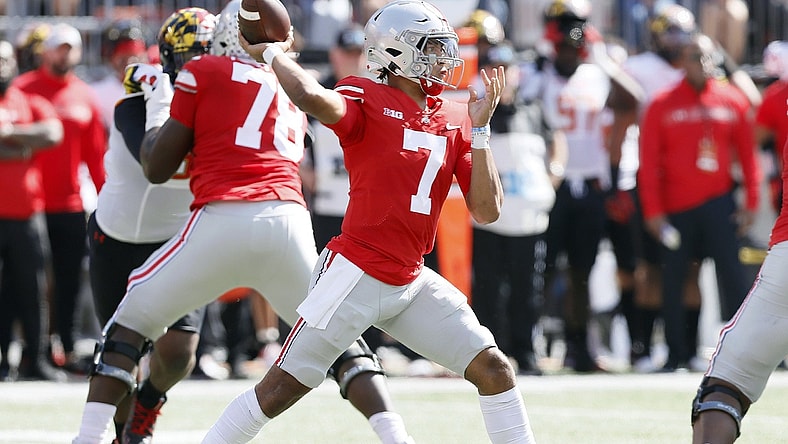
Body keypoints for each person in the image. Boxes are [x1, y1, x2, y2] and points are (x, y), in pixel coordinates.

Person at [72, 3, 412, 444]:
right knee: (338, 337)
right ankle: (395, 434)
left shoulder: (203, 76)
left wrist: (160, 99)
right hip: (284, 221)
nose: (198, 57)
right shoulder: (282, 84)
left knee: (128, 329)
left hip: (217, 219)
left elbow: (161, 164)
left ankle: (89, 437)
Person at [215, 1, 537, 442]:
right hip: (355, 273)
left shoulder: (456, 116)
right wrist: (273, 54)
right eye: (431, 47)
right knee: (280, 389)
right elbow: (311, 97)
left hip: (411, 278)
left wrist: (480, 132)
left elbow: (487, 210)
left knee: (495, 368)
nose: (444, 59)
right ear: (396, 53)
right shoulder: (364, 95)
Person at [84, 8, 215, 443]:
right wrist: (161, 96)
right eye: (192, 52)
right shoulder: (141, 98)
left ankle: (150, 401)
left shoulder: (228, 105)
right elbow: (154, 162)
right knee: (122, 352)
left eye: (209, 52)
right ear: (171, 56)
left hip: (177, 239)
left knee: (179, 353)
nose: (201, 61)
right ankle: (124, 432)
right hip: (118, 237)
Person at [638, 33, 760, 373]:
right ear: (683, 61)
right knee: (674, 279)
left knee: (734, 278)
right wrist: (653, 212)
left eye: (708, 58)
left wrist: (750, 202)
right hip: (676, 209)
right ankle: (677, 353)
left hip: (719, 205)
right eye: (696, 57)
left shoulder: (732, 100)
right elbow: (648, 162)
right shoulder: (662, 103)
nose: (704, 65)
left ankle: (742, 353)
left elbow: (748, 156)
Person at [605, 4, 704, 373]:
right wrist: (617, 182)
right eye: (669, 31)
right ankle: (643, 348)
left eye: (681, 32)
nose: (675, 40)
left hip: (689, 184)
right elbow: (622, 124)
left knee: (691, 268)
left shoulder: (701, 67)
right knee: (649, 269)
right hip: (647, 180)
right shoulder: (640, 69)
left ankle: (687, 348)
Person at [15, 23, 107, 372]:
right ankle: (29, 349)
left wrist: (105, 200)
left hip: (70, 204)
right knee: (28, 280)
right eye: (59, 47)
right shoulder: (22, 89)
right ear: (45, 51)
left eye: (70, 48)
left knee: (68, 280)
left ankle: (66, 348)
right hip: (30, 204)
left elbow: (96, 157)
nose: (64, 54)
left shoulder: (84, 95)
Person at [469, 38, 554, 376]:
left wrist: (553, 176)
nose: (499, 77)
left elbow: (554, 141)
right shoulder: (479, 113)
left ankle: (526, 350)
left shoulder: (533, 110)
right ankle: (493, 350)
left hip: (527, 218)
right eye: (492, 69)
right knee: (489, 287)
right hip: (490, 218)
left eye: (506, 69)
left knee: (526, 288)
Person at [0, 39, 64, 382]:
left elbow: (52, 133)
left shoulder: (27, 99)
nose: (1, 66)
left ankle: (35, 359)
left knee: (33, 289)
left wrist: (9, 133)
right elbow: (33, 142)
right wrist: (22, 147)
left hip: (27, 214)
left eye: (5, 60)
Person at [90, 18, 150, 128]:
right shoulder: (96, 93)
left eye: (135, 58)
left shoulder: (157, 87)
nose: (129, 64)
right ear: (111, 58)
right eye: (122, 58)